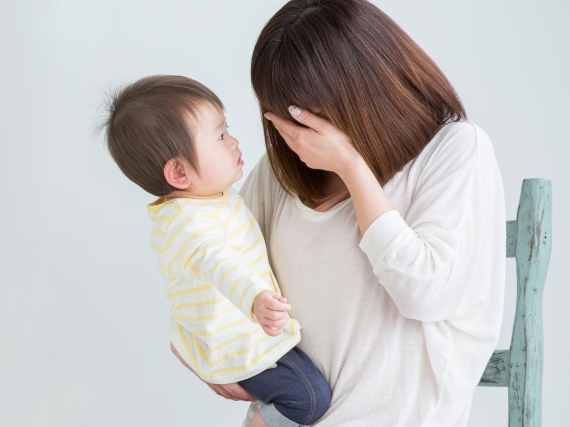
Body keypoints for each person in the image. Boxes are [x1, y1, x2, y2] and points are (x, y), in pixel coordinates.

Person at [172, 1, 506, 426]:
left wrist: (350, 166)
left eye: (304, 117)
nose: (292, 136)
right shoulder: (281, 174)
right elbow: (205, 263)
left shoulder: (455, 150)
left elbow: (425, 293)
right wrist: (212, 358)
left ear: (359, 91)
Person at [102, 75, 331, 427]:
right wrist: (254, 298)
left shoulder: (205, 203)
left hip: (238, 331)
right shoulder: (190, 224)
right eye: (221, 136)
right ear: (178, 172)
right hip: (237, 341)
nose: (235, 141)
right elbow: (218, 263)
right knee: (308, 398)